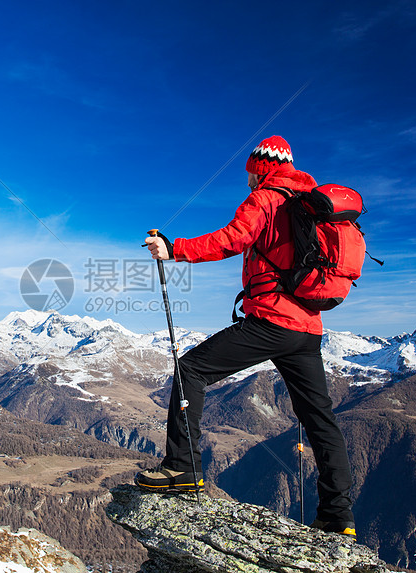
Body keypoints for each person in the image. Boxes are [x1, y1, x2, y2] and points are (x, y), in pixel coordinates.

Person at [136, 135, 356, 539]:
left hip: (271, 321)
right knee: (319, 418)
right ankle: (338, 518)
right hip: (308, 329)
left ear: (260, 168)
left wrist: (174, 248)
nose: (248, 180)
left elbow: (232, 239)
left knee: (191, 370)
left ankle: (182, 468)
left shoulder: (267, 198)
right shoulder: (310, 203)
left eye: (250, 172)